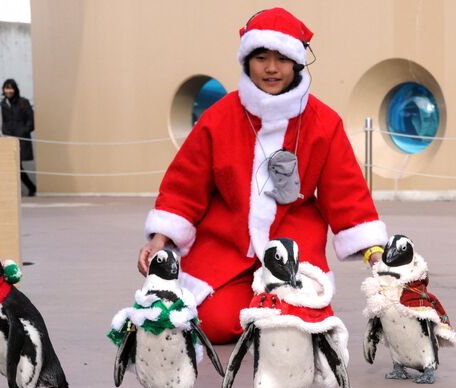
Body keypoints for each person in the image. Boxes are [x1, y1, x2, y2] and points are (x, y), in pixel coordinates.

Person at [138, 8, 388, 344]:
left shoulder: (324, 122)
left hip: (294, 251)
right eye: (261, 57)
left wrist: (373, 252)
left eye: (282, 58)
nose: (271, 68)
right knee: (214, 323)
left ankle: (281, 312)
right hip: (228, 250)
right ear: (247, 61)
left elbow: (346, 193)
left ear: (297, 62)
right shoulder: (219, 118)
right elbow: (185, 186)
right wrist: (160, 238)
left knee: (293, 321)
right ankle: (259, 311)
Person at [0, 78, 37, 196]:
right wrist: (4, 133)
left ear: (15, 89)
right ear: (3, 90)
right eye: (7, 88)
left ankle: (25, 189)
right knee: (15, 166)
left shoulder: (23, 102)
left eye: (11, 88)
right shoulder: (3, 104)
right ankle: (29, 188)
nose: (9, 90)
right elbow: (5, 121)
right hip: (9, 140)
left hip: (21, 139)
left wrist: (23, 131)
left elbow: (31, 121)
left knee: (16, 166)